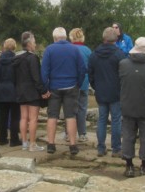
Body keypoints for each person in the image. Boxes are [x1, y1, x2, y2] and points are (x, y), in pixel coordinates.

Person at [41, 27, 86, 155]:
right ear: (66, 37)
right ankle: (72, 145)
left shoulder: (49, 49)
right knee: (71, 116)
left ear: (54, 38)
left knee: (52, 116)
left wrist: (45, 87)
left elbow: (44, 71)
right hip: (71, 86)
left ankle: (51, 144)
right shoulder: (74, 49)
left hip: (54, 87)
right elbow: (82, 68)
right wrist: (78, 83)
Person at [119, 37, 145, 176]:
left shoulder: (123, 64)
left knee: (128, 136)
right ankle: (144, 165)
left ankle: (129, 166)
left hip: (127, 104)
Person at [89, 27, 127, 157]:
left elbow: (91, 75)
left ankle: (101, 147)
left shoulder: (94, 55)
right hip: (116, 92)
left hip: (101, 91)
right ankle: (116, 148)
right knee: (116, 120)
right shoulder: (119, 54)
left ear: (103, 38)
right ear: (115, 39)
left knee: (102, 120)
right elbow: (123, 75)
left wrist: (96, 87)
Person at [14, 32, 48, 151]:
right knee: (33, 118)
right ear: (28, 43)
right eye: (34, 42)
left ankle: (24, 143)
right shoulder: (32, 58)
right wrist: (43, 91)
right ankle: (32, 144)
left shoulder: (16, 57)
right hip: (32, 91)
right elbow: (36, 77)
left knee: (23, 117)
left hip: (20, 90)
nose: (35, 44)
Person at [62, 28, 91, 143]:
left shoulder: (68, 49)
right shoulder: (87, 50)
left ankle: (68, 133)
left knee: (69, 109)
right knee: (82, 109)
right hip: (84, 83)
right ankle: (82, 134)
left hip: (70, 83)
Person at [0, 38, 21, 146]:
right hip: (13, 89)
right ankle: (14, 139)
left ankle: (2, 138)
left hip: (2, 89)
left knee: (3, 116)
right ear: (14, 47)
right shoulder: (16, 60)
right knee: (15, 116)